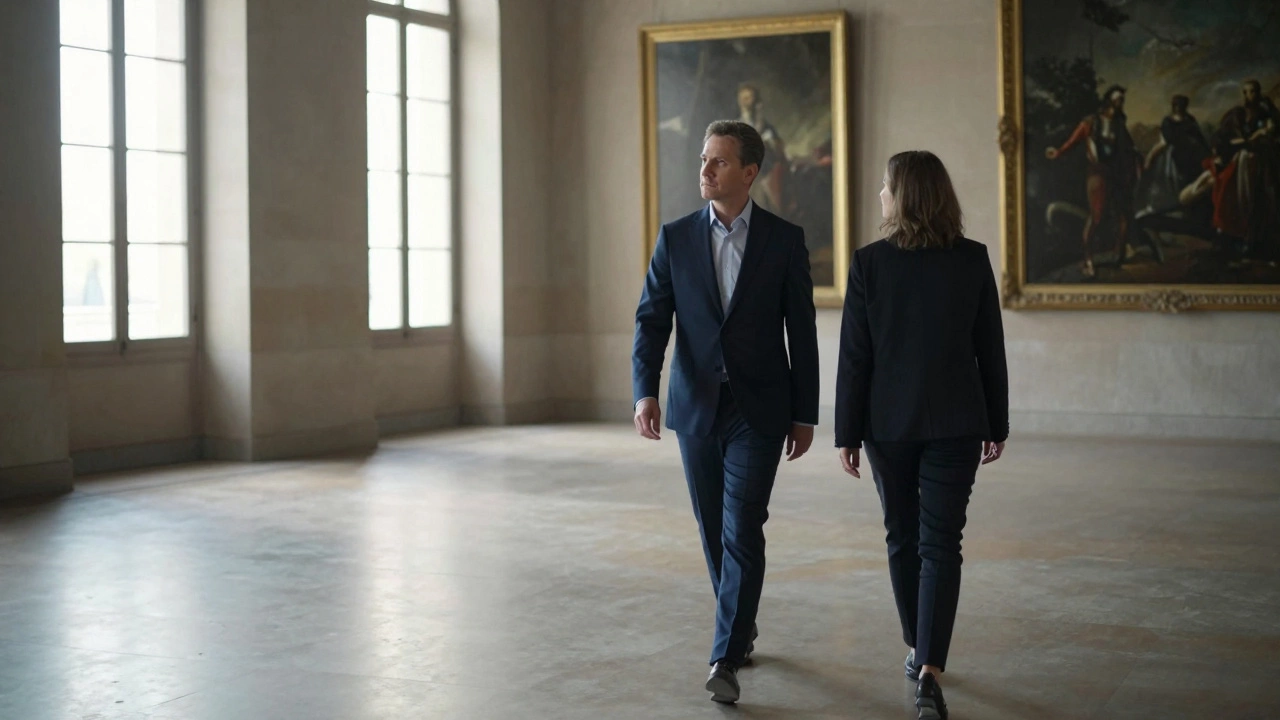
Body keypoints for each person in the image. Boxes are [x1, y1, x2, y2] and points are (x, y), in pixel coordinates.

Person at [632, 120, 820, 705]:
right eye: (704, 160)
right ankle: (740, 623)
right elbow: (651, 320)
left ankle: (724, 655)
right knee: (713, 527)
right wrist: (645, 391)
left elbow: (803, 332)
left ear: (748, 173)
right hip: (695, 408)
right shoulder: (676, 238)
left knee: (742, 527)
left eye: (718, 162)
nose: (705, 171)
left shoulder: (784, 241)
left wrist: (805, 412)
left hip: (759, 409)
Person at [834, 151, 1009, 720]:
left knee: (902, 537)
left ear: (902, 195)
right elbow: (991, 351)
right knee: (941, 543)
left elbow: (855, 360)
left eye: (886, 187)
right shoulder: (973, 260)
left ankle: (918, 650)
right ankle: (928, 665)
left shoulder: (868, 264)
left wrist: (847, 433)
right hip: (957, 423)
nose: (881, 196)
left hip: (889, 426)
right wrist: (996, 422)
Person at [1045, 85, 1141, 277]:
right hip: (1097, 173)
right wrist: (1058, 152)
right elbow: (1073, 141)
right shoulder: (1090, 122)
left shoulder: (1119, 124)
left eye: (1122, 100)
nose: (1121, 103)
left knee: (1123, 216)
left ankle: (1118, 256)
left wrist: (1137, 164)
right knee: (1097, 217)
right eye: (1118, 99)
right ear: (1109, 101)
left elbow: (1129, 148)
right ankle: (1088, 259)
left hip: (1117, 174)